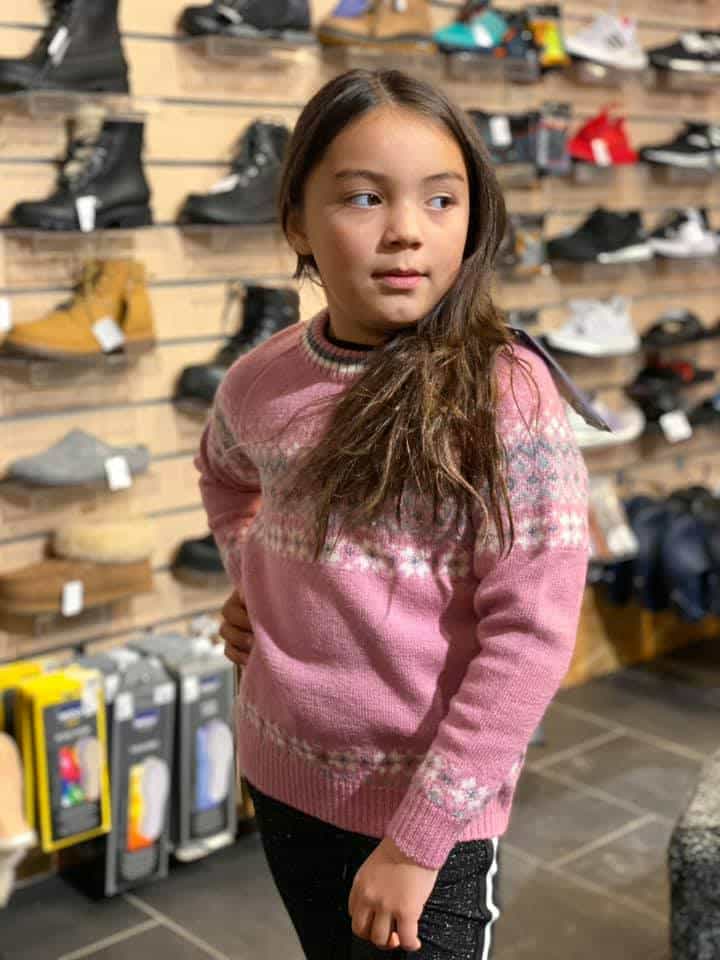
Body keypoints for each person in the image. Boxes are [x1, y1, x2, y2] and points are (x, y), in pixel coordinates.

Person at [195, 67, 594, 960]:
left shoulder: (507, 394)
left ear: (473, 217)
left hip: (430, 820)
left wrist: (418, 843)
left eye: (442, 200)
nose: (407, 230)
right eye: (364, 197)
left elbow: (530, 638)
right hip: (283, 775)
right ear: (297, 219)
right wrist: (257, 577)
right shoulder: (261, 381)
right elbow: (226, 479)